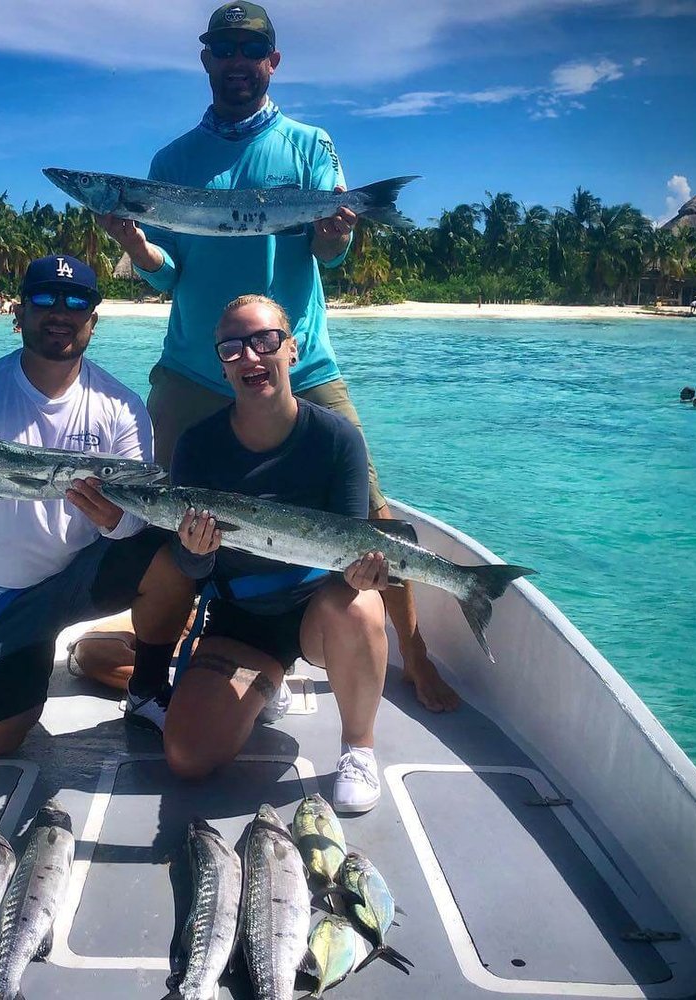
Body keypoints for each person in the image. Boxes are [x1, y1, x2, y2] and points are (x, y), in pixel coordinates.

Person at [95, 1, 457, 712]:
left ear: (271, 63)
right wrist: (136, 248)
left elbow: (329, 251)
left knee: (374, 517)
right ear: (206, 60)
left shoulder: (310, 144)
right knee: (168, 515)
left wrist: (335, 229)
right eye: (223, 48)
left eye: (248, 49)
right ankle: (155, 665)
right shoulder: (171, 162)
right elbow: (173, 273)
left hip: (301, 363)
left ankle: (416, 654)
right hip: (196, 366)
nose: (236, 61)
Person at [0, 254, 195, 752]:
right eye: (44, 299)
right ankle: (62, 650)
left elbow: (136, 520)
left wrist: (116, 520)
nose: (60, 312)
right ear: (19, 313)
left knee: (170, 546)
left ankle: (147, 688)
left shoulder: (122, 406)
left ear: (93, 319)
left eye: (76, 301)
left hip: (80, 575)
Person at [161, 294, 392, 812]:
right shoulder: (197, 446)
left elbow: (350, 543)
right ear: (221, 366)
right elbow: (193, 568)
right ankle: (267, 683)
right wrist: (196, 554)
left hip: (319, 611)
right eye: (232, 348)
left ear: (292, 349)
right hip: (241, 620)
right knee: (187, 756)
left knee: (358, 605)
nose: (250, 357)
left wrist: (367, 574)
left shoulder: (338, 439)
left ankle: (358, 746)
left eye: (265, 341)